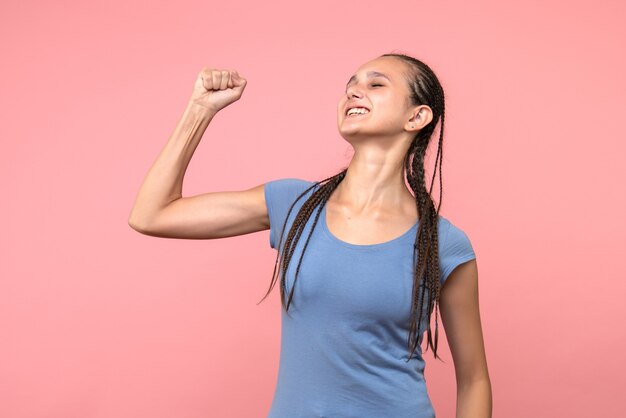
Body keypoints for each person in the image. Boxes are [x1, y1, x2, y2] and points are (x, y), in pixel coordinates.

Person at [129, 52, 492, 418]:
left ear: (417, 116)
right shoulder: (293, 205)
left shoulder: (444, 243)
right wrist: (200, 109)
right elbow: (152, 214)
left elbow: (474, 379)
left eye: (375, 84)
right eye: (350, 85)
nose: (354, 91)